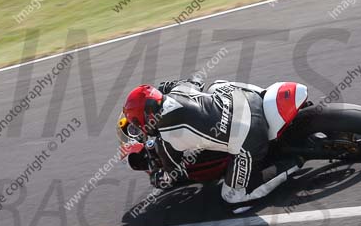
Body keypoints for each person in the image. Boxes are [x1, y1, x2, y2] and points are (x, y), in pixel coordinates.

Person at [121, 77, 304, 207]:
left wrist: (158, 177)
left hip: (251, 134)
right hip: (247, 99)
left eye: (136, 123)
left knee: (232, 196)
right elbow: (196, 81)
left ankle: (292, 163)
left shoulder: (168, 138)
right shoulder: (178, 90)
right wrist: (165, 86)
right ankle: (264, 95)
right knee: (215, 86)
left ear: (144, 119)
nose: (137, 126)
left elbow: (174, 173)